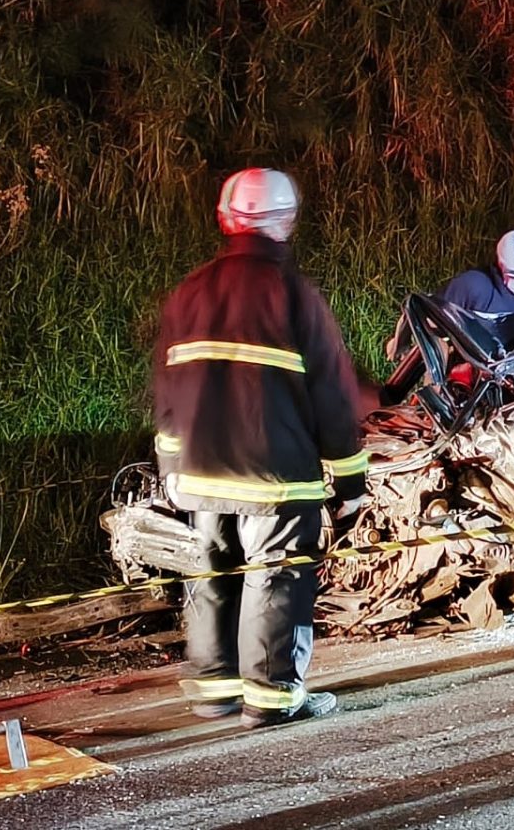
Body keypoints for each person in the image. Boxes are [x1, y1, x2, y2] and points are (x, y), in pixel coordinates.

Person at [153, 167, 369, 727]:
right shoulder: (294, 296)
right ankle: (273, 698)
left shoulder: (190, 291)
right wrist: (349, 482)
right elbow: (332, 397)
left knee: (212, 575)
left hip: (200, 474)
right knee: (277, 574)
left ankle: (213, 691)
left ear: (225, 217)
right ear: (287, 220)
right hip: (275, 475)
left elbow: (168, 389)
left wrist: (172, 464)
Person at [383, 228, 514, 360]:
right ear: (501, 265)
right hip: (472, 366)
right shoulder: (473, 286)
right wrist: (403, 342)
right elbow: (428, 313)